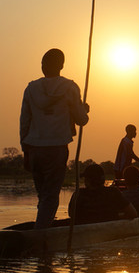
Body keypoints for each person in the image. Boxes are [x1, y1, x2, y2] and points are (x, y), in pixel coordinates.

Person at [20, 48, 89, 229]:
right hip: (56, 148)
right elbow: (82, 119)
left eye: (43, 63)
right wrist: (83, 109)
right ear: (61, 66)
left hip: (34, 148)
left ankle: (41, 228)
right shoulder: (69, 87)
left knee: (43, 195)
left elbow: (24, 122)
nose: (42, 66)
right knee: (50, 196)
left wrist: (25, 151)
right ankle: (40, 235)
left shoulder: (31, 88)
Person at [68, 163, 137, 223]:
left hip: (84, 230)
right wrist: (117, 217)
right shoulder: (113, 192)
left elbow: (71, 214)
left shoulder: (79, 194)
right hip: (109, 229)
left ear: (88, 180)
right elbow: (133, 213)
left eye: (86, 178)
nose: (85, 181)